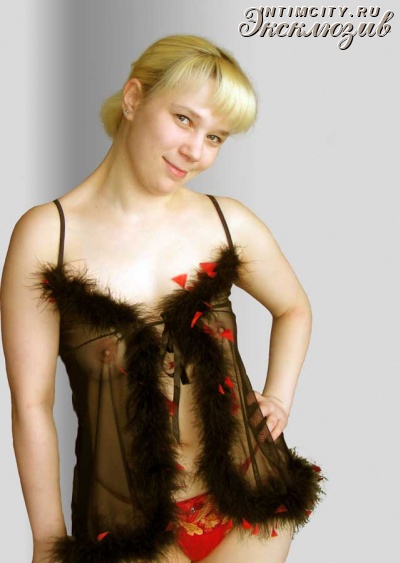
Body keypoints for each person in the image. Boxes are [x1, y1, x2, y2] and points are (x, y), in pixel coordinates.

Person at [1, 35, 323, 563]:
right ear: (133, 99)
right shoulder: (47, 236)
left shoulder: (227, 221)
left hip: (251, 501)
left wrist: (279, 396)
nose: (196, 151)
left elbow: (294, 308)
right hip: (127, 525)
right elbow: (31, 405)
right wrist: (45, 540)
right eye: (183, 119)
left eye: (215, 136)